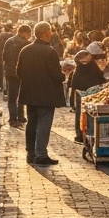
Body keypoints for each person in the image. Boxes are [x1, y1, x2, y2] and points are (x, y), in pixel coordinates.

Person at [16, 22, 64, 165]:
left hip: (29, 93)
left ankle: (31, 153)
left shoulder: (25, 50)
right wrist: (64, 74)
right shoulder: (50, 52)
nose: (51, 34)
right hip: (46, 94)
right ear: (46, 34)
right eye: (50, 32)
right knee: (44, 123)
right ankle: (41, 154)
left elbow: (19, 72)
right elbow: (56, 75)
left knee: (32, 122)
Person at [69, 43, 108, 143]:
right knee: (83, 113)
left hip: (84, 90)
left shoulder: (84, 62)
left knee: (82, 112)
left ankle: (82, 134)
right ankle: (82, 134)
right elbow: (100, 76)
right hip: (86, 91)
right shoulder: (90, 64)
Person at [3, 24, 32, 126]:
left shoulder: (9, 41)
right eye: (28, 34)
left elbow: (4, 56)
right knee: (21, 95)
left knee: (12, 96)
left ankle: (12, 119)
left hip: (10, 72)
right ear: (23, 33)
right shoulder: (27, 44)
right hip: (22, 72)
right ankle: (21, 116)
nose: (29, 36)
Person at [0, 24, 14, 97]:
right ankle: (7, 89)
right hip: (11, 56)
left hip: (2, 55)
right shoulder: (11, 35)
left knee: (3, 73)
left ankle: (4, 89)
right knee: (7, 74)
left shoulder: (1, 35)